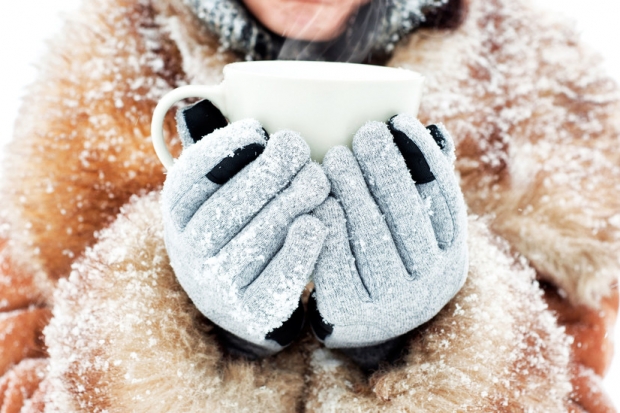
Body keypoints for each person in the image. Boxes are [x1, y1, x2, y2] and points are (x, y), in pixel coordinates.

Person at [0, 0, 618, 411]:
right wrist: (185, 338)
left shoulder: (548, 105)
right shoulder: (81, 102)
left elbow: (583, 394)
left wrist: (425, 348)